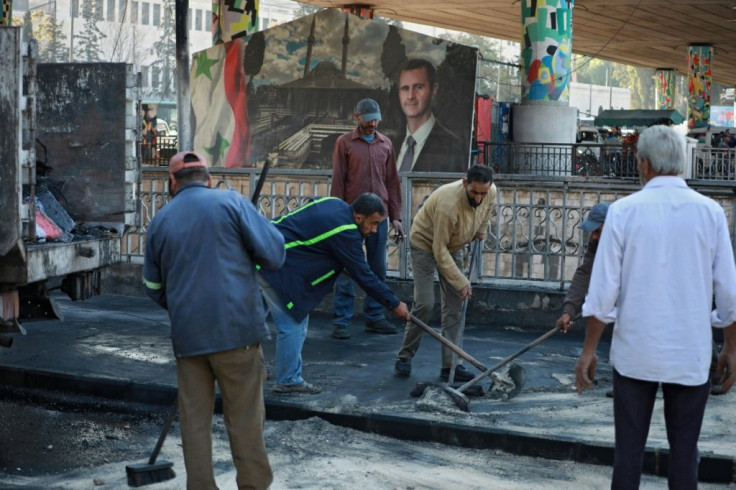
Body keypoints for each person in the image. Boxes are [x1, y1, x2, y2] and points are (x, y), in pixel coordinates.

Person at [574, 125, 736, 489]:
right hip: (690, 355)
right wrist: (731, 346)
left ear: (643, 164)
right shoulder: (710, 213)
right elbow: (729, 292)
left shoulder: (623, 212)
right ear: (680, 164)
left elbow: (602, 293)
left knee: (628, 456)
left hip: (636, 354)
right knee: (684, 456)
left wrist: (588, 351)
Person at [143, 151, 285, 489]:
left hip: (190, 339)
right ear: (208, 179)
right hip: (239, 334)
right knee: (246, 422)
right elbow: (275, 255)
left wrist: (183, 305)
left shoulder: (160, 220)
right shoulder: (233, 203)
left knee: (194, 424)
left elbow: (152, 286)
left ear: (171, 183)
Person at [259, 193, 411, 394]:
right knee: (294, 324)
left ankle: (249, 368)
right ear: (358, 217)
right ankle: (288, 380)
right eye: (373, 224)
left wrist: (343, 261)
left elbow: (318, 237)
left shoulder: (334, 203)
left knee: (252, 320)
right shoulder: (346, 232)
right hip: (278, 266)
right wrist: (394, 303)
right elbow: (365, 276)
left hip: (261, 248)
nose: (375, 230)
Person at [394, 164, 496, 382]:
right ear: (464, 182)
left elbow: (486, 211)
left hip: (454, 245)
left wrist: (481, 231)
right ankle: (405, 356)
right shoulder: (448, 203)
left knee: (454, 307)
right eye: (474, 192)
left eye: (482, 193)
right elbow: (439, 251)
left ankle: (451, 365)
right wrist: (461, 281)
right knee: (425, 304)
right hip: (425, 244)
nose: (478, 198)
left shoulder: (491, 191)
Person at [330, 98, 404, 339]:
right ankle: (342, 320)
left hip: (379, 216)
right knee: (346, 267)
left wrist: (396, 217)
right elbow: (338, 180)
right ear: (357, 117)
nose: (373, 123)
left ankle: (374, 316)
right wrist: (337, 214)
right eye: (368, 118)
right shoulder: (344, 143)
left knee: (378, 267)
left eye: (376, 119)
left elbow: (392, 181)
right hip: (352, 215)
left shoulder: (386, 144)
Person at [395, 58, 468, 173]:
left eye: (418, 87)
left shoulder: (454, 148)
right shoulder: (391, 144)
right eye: (405, 88)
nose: (410, 96)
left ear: (434, 90)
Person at [555, 202, 610, 332]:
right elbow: (585, 272)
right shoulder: (597, 240)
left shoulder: (631, 240)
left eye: (597, 230)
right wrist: (568, 312)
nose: (594, 235)